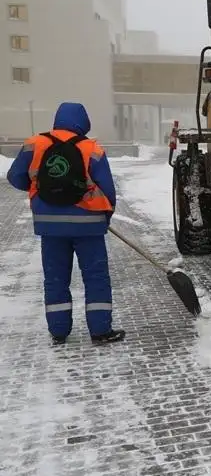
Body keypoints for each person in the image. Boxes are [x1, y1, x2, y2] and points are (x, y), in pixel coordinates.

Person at [5, 102, 125, 345]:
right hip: (89, 226)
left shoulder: (35, 144)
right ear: (83, 123)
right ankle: (100, 331)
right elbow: (108, 190)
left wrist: (41, 189)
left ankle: (59, 331)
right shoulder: (92, 149)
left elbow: (15, 177)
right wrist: (105, 216)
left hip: (50, 226)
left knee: (55, 278)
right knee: (96, 278)